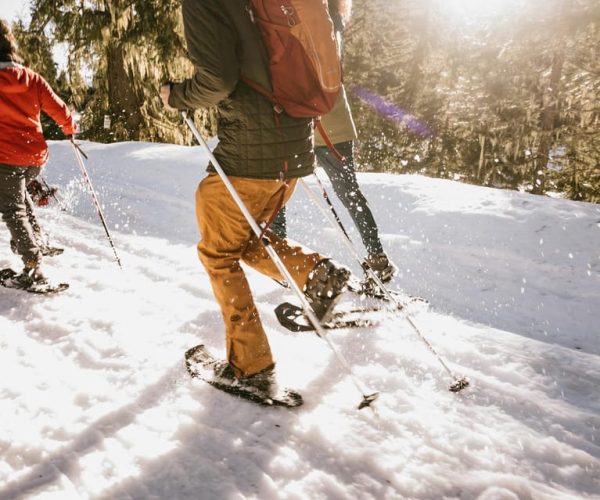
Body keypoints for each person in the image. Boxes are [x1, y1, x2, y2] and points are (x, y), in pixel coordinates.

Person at [160, 1, 351, 392]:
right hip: (293, 148)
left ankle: (252, 367)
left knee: (218, 253)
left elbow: (218, 80)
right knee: (243, 241)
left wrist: (176, 95)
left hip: (249, 155)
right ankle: (316, 275)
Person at [271, 0, 397, 286]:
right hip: (329, 121)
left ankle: (280, 261)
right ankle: (377, 259)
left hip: (315, 123)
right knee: (345, 192)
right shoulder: (331, 17)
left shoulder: (315, 19)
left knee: (279, 189)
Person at [0, 19, 76, 286]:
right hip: (34, 158)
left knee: (11, 209)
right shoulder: (31, 79)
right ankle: (37, 241)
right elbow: (59, 108)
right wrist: (69, 129)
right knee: (19, 197)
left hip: (5, 157)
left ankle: (33, 266)